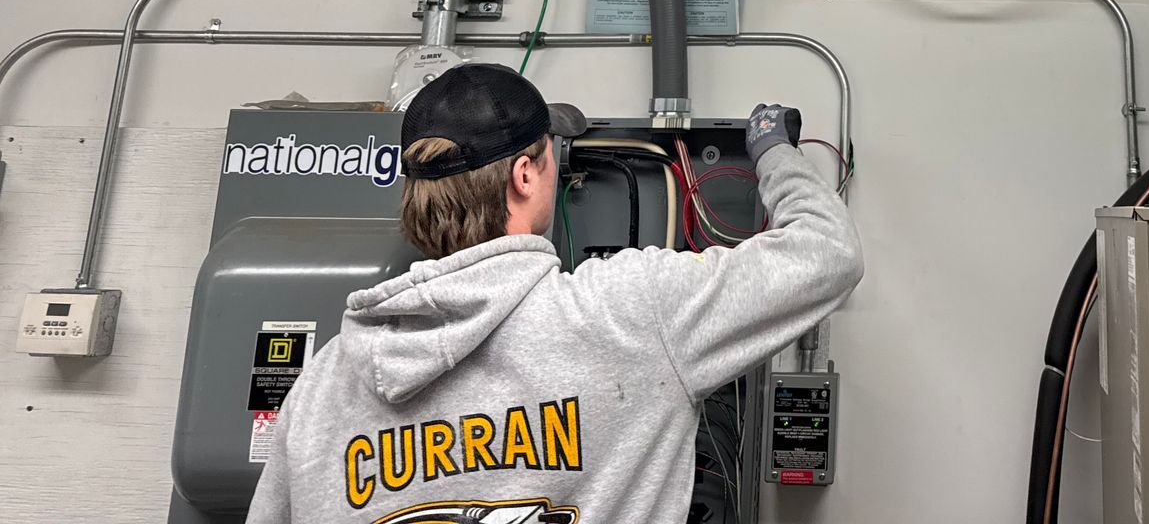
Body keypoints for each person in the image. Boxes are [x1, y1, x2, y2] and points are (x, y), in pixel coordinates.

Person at [246, 62, 862, 522]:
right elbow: (825, 253)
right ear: (524, 175)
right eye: (549, 157)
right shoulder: (628, 311)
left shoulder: (325, 383)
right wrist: (773, 151)